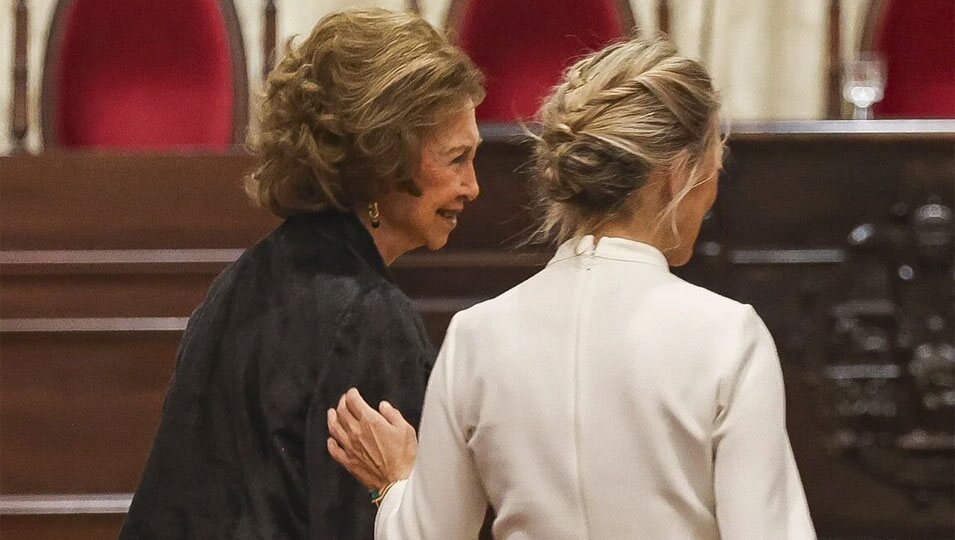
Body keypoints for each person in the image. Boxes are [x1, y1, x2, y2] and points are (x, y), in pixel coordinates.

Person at [327, 37, 817, 539]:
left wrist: (395, 486)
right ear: (675, 176)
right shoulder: (728, 337)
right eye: (716, 166)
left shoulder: (476, 336)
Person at [119, 9, 484, 540]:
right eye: (457, 160)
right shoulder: (369, 318)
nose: (473, 187)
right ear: (384, 160)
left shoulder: (241, 281)